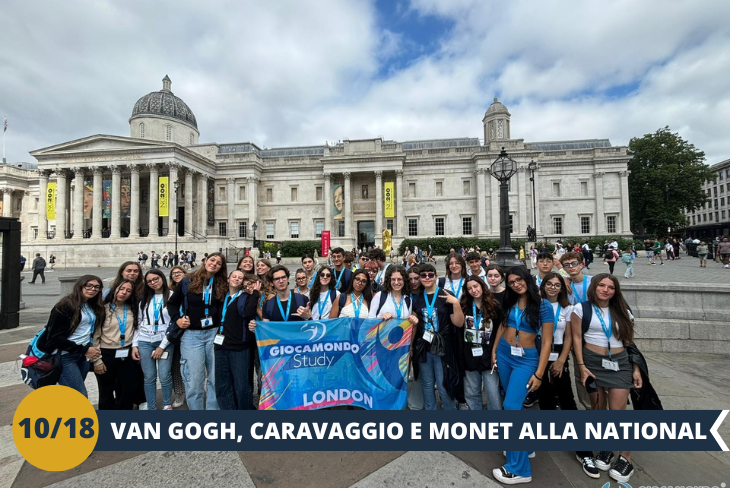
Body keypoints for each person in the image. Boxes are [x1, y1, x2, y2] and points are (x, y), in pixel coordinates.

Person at [571, 273, 642, 483]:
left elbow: (630, 341)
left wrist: (636, 368)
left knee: (618, 412)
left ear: (615, 291)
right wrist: (582, 366)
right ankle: (605, 447)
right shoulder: (580, 309)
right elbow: (576, 338)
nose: (605, 290)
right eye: (601, 285)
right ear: (594, 287)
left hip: (619, 363)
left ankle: (625, 457)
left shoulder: (622, 311)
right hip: (592, 362)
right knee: (598, 409)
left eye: (610, 287)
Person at [491, 266, 554, 485]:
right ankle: (525, 447)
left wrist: (539, 373)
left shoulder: (543, 306)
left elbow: (547, 342)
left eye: (519, 280)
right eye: (511, 282)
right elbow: (502, 325)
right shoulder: (509, 301)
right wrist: (494, 351)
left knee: (510, 407)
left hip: (527, 360)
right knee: (513, 405)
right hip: (505, 354)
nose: (516, 284)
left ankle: (519, 469)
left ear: (527, 279)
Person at [167, 252, 228, 410]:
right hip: (191, 335)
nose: (214, 264)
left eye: (219, 263)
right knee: (194, 379)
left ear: (221, 267)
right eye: (212, 260)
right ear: (205, 261)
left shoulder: (222, 283)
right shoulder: (188, 280)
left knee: (215, 378)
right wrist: (178, 319)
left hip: (213, 334)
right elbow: (172, 304)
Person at [410, 263, 464, 411]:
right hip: (424, 346)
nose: (427, 278)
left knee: (444, 384)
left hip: (443, 347)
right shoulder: (418, 298)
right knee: (427, 384)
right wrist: (411, 346)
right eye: (423, 275)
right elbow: (415, 325)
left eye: (430, 275)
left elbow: (458, 323)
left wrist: (456, 304)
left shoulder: (446, 295)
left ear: (436, 277)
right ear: (420, 278)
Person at [40, 275, 105, 397]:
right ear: (80, 286)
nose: (93, 289)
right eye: (89, 286)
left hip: (82, 356)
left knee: (71, 394)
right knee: (79, 395)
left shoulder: (91, 305)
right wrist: (84, 350)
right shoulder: (65, 305)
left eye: (97, 287)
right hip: (65, 356)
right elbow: (54, 337)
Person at [215, 270, 259, 410]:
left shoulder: (245, 296)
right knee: (222, 384)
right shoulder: (222, 296)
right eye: (234, 276)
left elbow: (248, 313)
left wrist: (256, 293)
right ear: (228, 279)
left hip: (239, 347)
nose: (237, 279)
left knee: (241, 385)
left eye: (240, 278)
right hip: (221, 346)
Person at [132, 269, 174, 410]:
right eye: (149, 281)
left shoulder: (172, 296)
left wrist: (162, 346)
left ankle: (167, 404)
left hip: (165, 341)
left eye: (155, 279)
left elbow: (174, 323)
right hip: (145, 341)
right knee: (149, 377)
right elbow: (139, 321)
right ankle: (151, 407)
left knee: (164, 375)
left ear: (162, 278)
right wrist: (134, 345)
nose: (153, 283)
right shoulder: (144, 298)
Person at [459, 276, 502, 411]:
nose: (473, 290)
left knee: (493, 393)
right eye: (470, 288)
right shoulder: (463, 307)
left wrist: (495, 352)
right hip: (469, 355)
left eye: (476, 286)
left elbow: (500, 330)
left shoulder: (494, 306)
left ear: (482, 286)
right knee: (472, 393)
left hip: (488, 355)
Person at [94, 279, 139, 410]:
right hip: (106, 352)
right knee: (106, 391)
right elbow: (95, 336)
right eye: (121, 289)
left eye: (128, 290)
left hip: (127, 352)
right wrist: (97, 360)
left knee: (129, 388)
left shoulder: (133, 308)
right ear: (114, 289)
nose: (124, 292)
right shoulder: (102, 309)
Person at [168, 266, 187, 407]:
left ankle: (191, 390)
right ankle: (179, 393)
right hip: (173, 331)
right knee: (175, 365)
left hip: (188, 330)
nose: (176, 275)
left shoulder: (190, 288)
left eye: (178, 272)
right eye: (173, 274)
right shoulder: (168, 292)